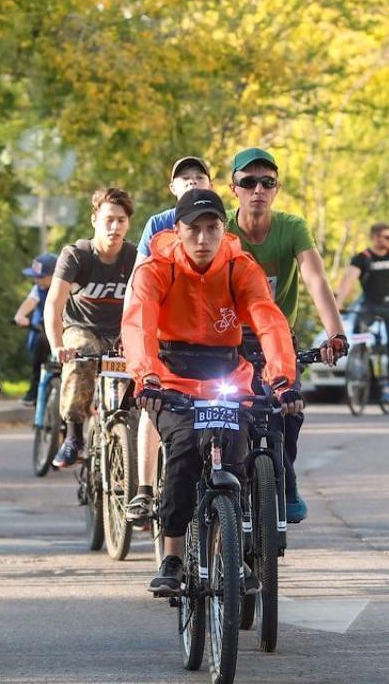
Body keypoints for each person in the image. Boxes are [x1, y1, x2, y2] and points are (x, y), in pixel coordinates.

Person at [123, 188, 300, 593]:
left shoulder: (240, 266)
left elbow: (268, 321)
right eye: (194, 229)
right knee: (184, 450)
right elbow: (138, 325)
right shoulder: (156, 268)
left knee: (235, 451)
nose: (203, 239)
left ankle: (234, 551)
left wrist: (282, 380)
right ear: (179, 230)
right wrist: (147, 376)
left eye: (212, 229)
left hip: (226, 372)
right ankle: (171, 555)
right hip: (170, 376)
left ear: (224, 229)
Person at [226, 147, 347, 524]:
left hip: (278, 339)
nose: (257, 190)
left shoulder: (291, 227)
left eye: (267, 183)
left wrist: (335, 333)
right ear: (235, 189)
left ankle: (285, 477)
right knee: (227, 414)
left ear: (276, 189)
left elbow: (315, 277)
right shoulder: (221, 229)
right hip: (229, 339)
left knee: (288, 411)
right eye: (248, 182)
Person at [126, 156, 212, 524]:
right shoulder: (158, 224)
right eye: (185, 179)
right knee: (153, 399)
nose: (192, 183)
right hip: (164, 330)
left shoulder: (221, 224)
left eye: (199, 177)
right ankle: (145, 489)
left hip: (211, 334)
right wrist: (129, 332)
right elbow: (139, 282)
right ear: (173, 188)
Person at [44, 187, 138, 468]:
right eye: (109, 219)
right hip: (81, 328)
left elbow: (147, 303)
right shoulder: (77, 255)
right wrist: (57, 345)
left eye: (121, 220)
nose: (115, 226)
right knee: (82, 354)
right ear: (95, 219)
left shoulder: (135, 257)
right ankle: (74, 436)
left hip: (120, 333)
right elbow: (54, 304)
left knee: (136, 380)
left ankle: (130, 441)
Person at [335, 222, 389, 405]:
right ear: (375, 238)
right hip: (370, 305)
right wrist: (338, 304)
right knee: (359, 334)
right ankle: (364, 369)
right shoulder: (362, 258)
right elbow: (348, 282)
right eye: (386, 237)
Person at [14, 253, 57, 406]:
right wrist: (20, 316)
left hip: (63, 330)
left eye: (41, 276)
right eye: (36, 277)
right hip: (42, 330)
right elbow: (30, 302)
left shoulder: (65, 286)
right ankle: (34, 389)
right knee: (41, 343)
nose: (37, 280)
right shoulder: (37, 289)